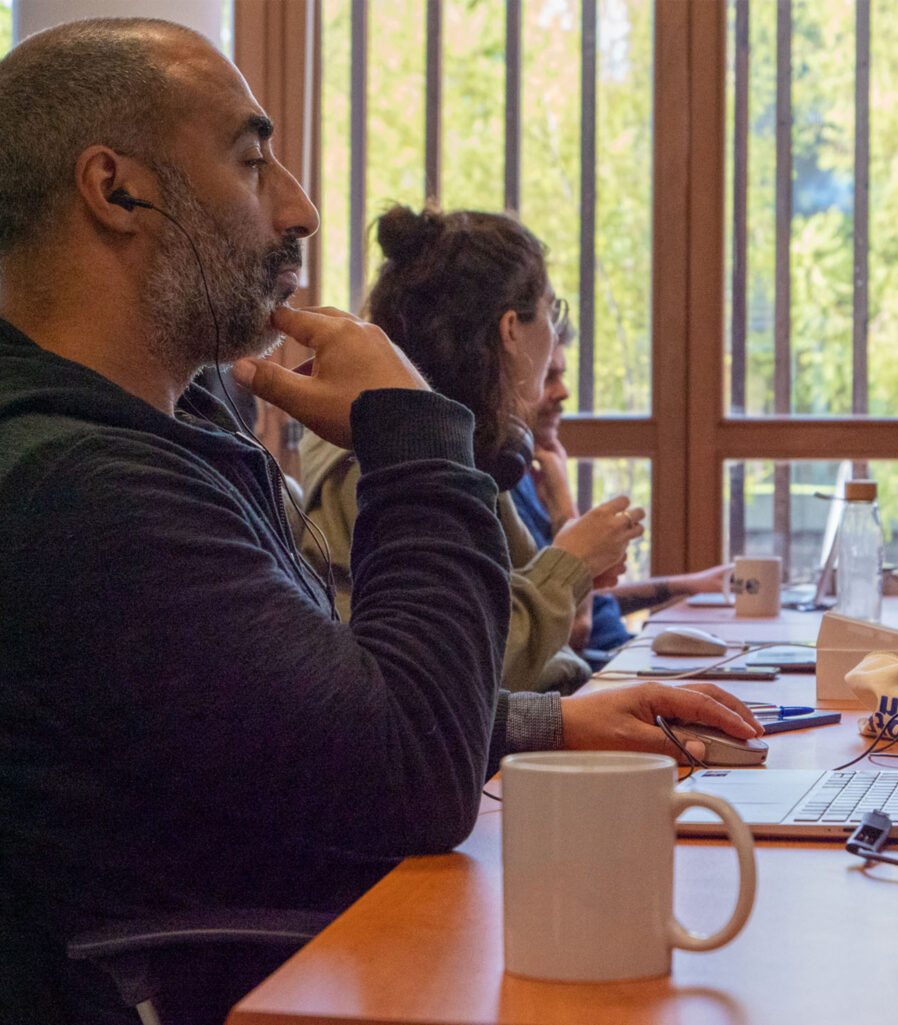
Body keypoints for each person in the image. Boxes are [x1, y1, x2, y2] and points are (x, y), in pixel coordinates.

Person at [0, 19, 760, 1023]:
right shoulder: (81, 485)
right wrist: (414, 437)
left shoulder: (157, 440)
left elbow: (286, 722)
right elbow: (403, 777)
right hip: (256, 982)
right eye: (251, 159)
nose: (300, 208)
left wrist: (539, 721)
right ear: (116, 189)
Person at [299, 204, 643, 694]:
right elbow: (460, 666)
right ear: (510, 330)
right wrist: (573, 565)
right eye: (551, 310)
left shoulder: (463, 444)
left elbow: (509, 610)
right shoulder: (392, 463)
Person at [513, 322, 731, 668]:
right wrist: (562, 502)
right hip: (592, 674)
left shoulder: (529, 472)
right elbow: (575, 629)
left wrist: (684, 585)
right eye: (548, 376)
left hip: (613, 656)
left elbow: (574, 596)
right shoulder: (510, 486)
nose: (563, 392)